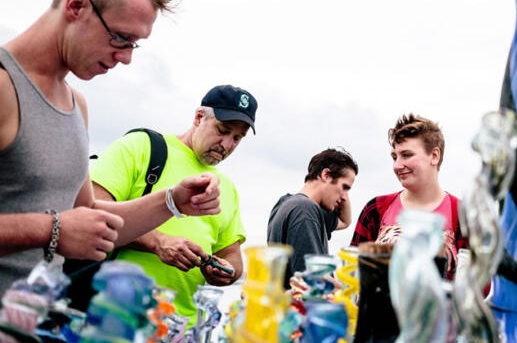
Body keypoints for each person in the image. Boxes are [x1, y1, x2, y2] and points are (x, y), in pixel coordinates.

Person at [0, 0, 222, 297]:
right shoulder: (3, 86)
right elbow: (65, 227)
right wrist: (50, 230)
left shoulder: (77, 105)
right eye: (121, 37)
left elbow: (89, 219)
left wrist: (172, 202)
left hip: (37, 340)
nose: (126, 58)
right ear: (76, 6)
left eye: (135, 44)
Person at [90, 85, 253, 322]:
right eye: (223, 130)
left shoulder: (226, 187)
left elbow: (232, 255)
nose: (227, 144)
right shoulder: (141, 146)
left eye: (237, 138)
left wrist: (226, 271)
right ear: (199, 118)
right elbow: (90, 211)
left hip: (186, 333)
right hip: (117, 320)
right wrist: (158, 242)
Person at [351, 113, 465, 279]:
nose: (397, 165)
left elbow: (478, 286)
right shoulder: (375, 209)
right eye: (394, 157)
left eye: (407, 155)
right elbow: (353, 274)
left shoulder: (462, 214)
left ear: (434, 156)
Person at [267, 147, 357, 286]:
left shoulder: (285, 204)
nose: (345, 197)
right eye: (344, 187)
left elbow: (345, 221)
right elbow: (313, 284)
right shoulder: (305, 211)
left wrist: (344, 186)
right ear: (326, 175)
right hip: (302, 306)